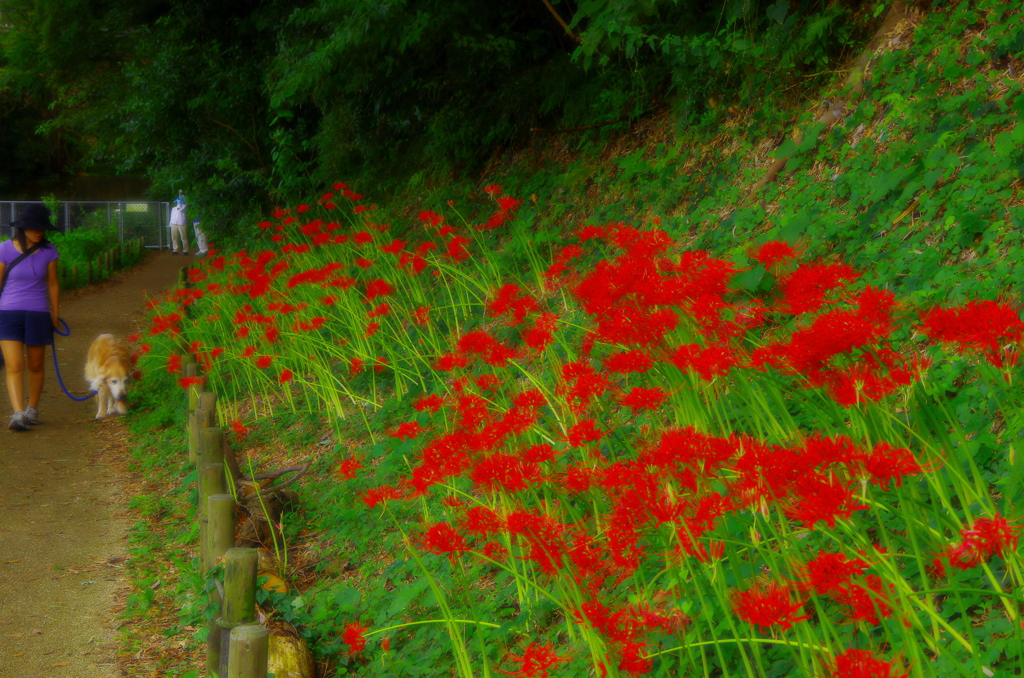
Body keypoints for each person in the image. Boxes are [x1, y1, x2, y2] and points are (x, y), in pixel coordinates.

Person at [0, 204, 61, 431]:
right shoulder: (4, 249)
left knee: (35, 364)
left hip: (38, 313)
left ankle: (32, 408)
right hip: (8, 312)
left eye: (42, 228)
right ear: (23, 227)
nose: (39, 232)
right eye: (35, 228)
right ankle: (18, 413)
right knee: (14, 364)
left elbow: (53, 285)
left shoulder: (49, 251)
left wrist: (55, 314)